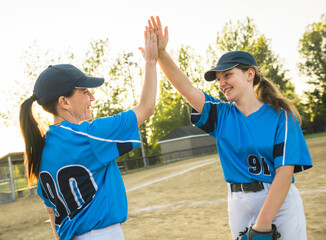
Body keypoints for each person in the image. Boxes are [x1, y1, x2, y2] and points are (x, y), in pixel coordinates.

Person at [147, 16, 313, 240]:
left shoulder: (280, 115)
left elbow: (284, 173)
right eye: (218, 79)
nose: (222, 82)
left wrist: (262, 226)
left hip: (278, 202)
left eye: (228, 75)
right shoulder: (221, 114)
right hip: (238, 203)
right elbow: (185, 87)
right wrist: (162, 54)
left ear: (250, 74)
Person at [19, 27, 158, 240]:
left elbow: (51, 212)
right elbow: (147, 107)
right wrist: (150, 61)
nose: (91, 97)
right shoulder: (87, 135)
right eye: (84, 92)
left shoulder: (40, 149)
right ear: (63, 102)